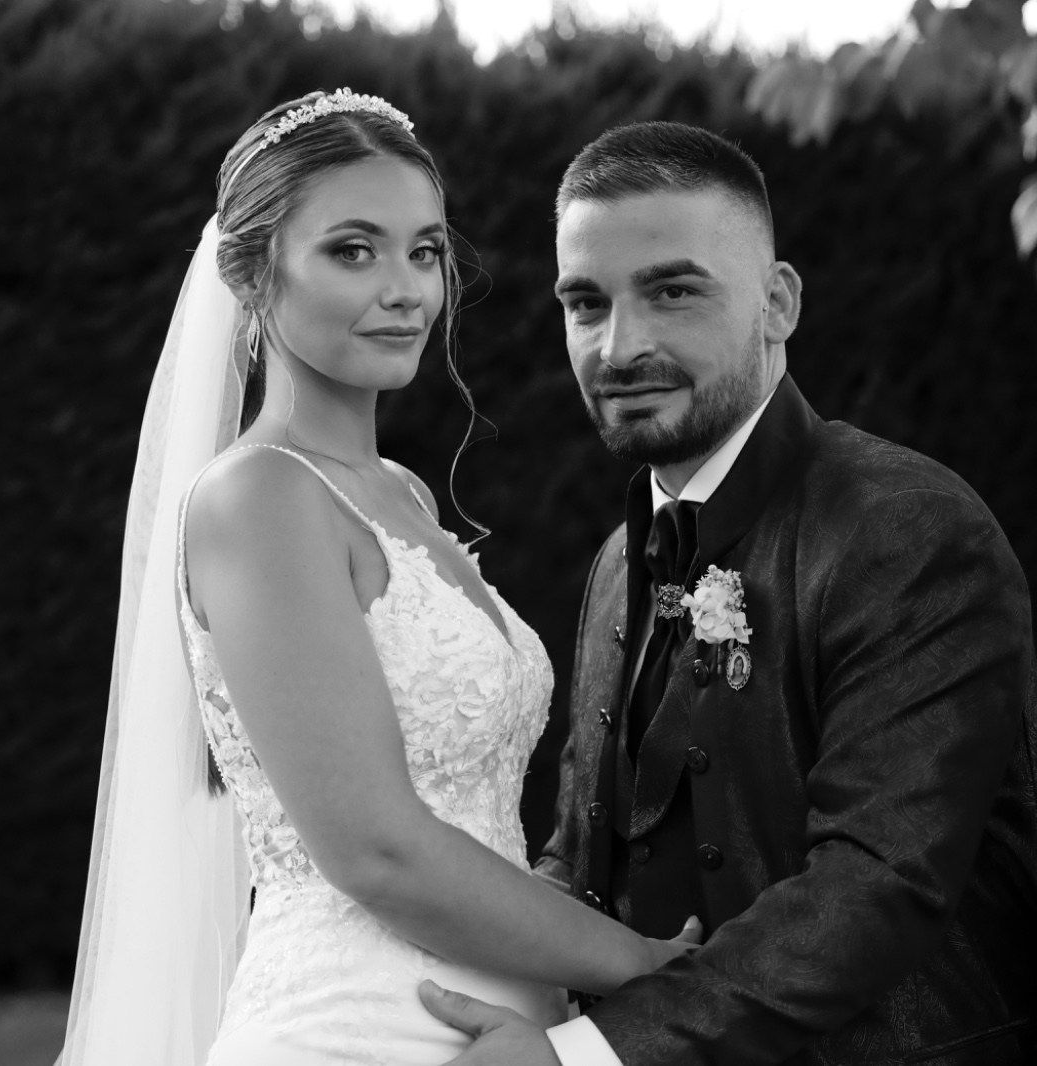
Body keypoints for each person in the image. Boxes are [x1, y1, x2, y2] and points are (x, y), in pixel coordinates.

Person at [54, 91, 700, 1066]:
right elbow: (376, 849)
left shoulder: (396, 493)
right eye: (353, 250)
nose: (405, 288)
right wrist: (642, 967)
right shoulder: (257, 498)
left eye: (425, 250)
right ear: (254, 271)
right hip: (353, 1032)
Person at [421, 123, 1037, 1064]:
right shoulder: (616, 562)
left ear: (778, 303)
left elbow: (877, 878)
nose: (618, 348)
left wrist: (584, 1058)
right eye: (585, 303)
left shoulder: (909, 530)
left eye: (673, 290)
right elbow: (580, 852)